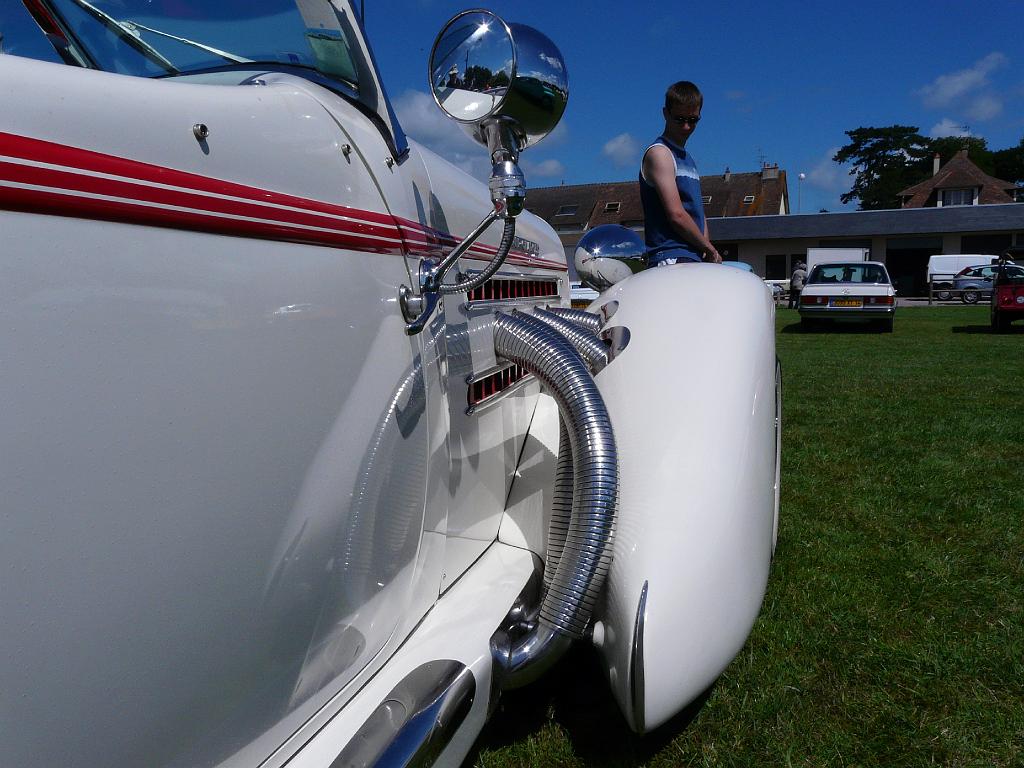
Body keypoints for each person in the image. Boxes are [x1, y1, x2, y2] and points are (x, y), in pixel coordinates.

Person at [639, 81, 720, 267]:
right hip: (669, 256)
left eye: (692, 120)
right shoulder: (660, 154)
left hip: (694, 256)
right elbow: (676, 214)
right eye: (679, 119)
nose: (686, 126)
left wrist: (706, 250)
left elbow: (699, 212)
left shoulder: (688, 160)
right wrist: (710, 249)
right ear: (665, 114)